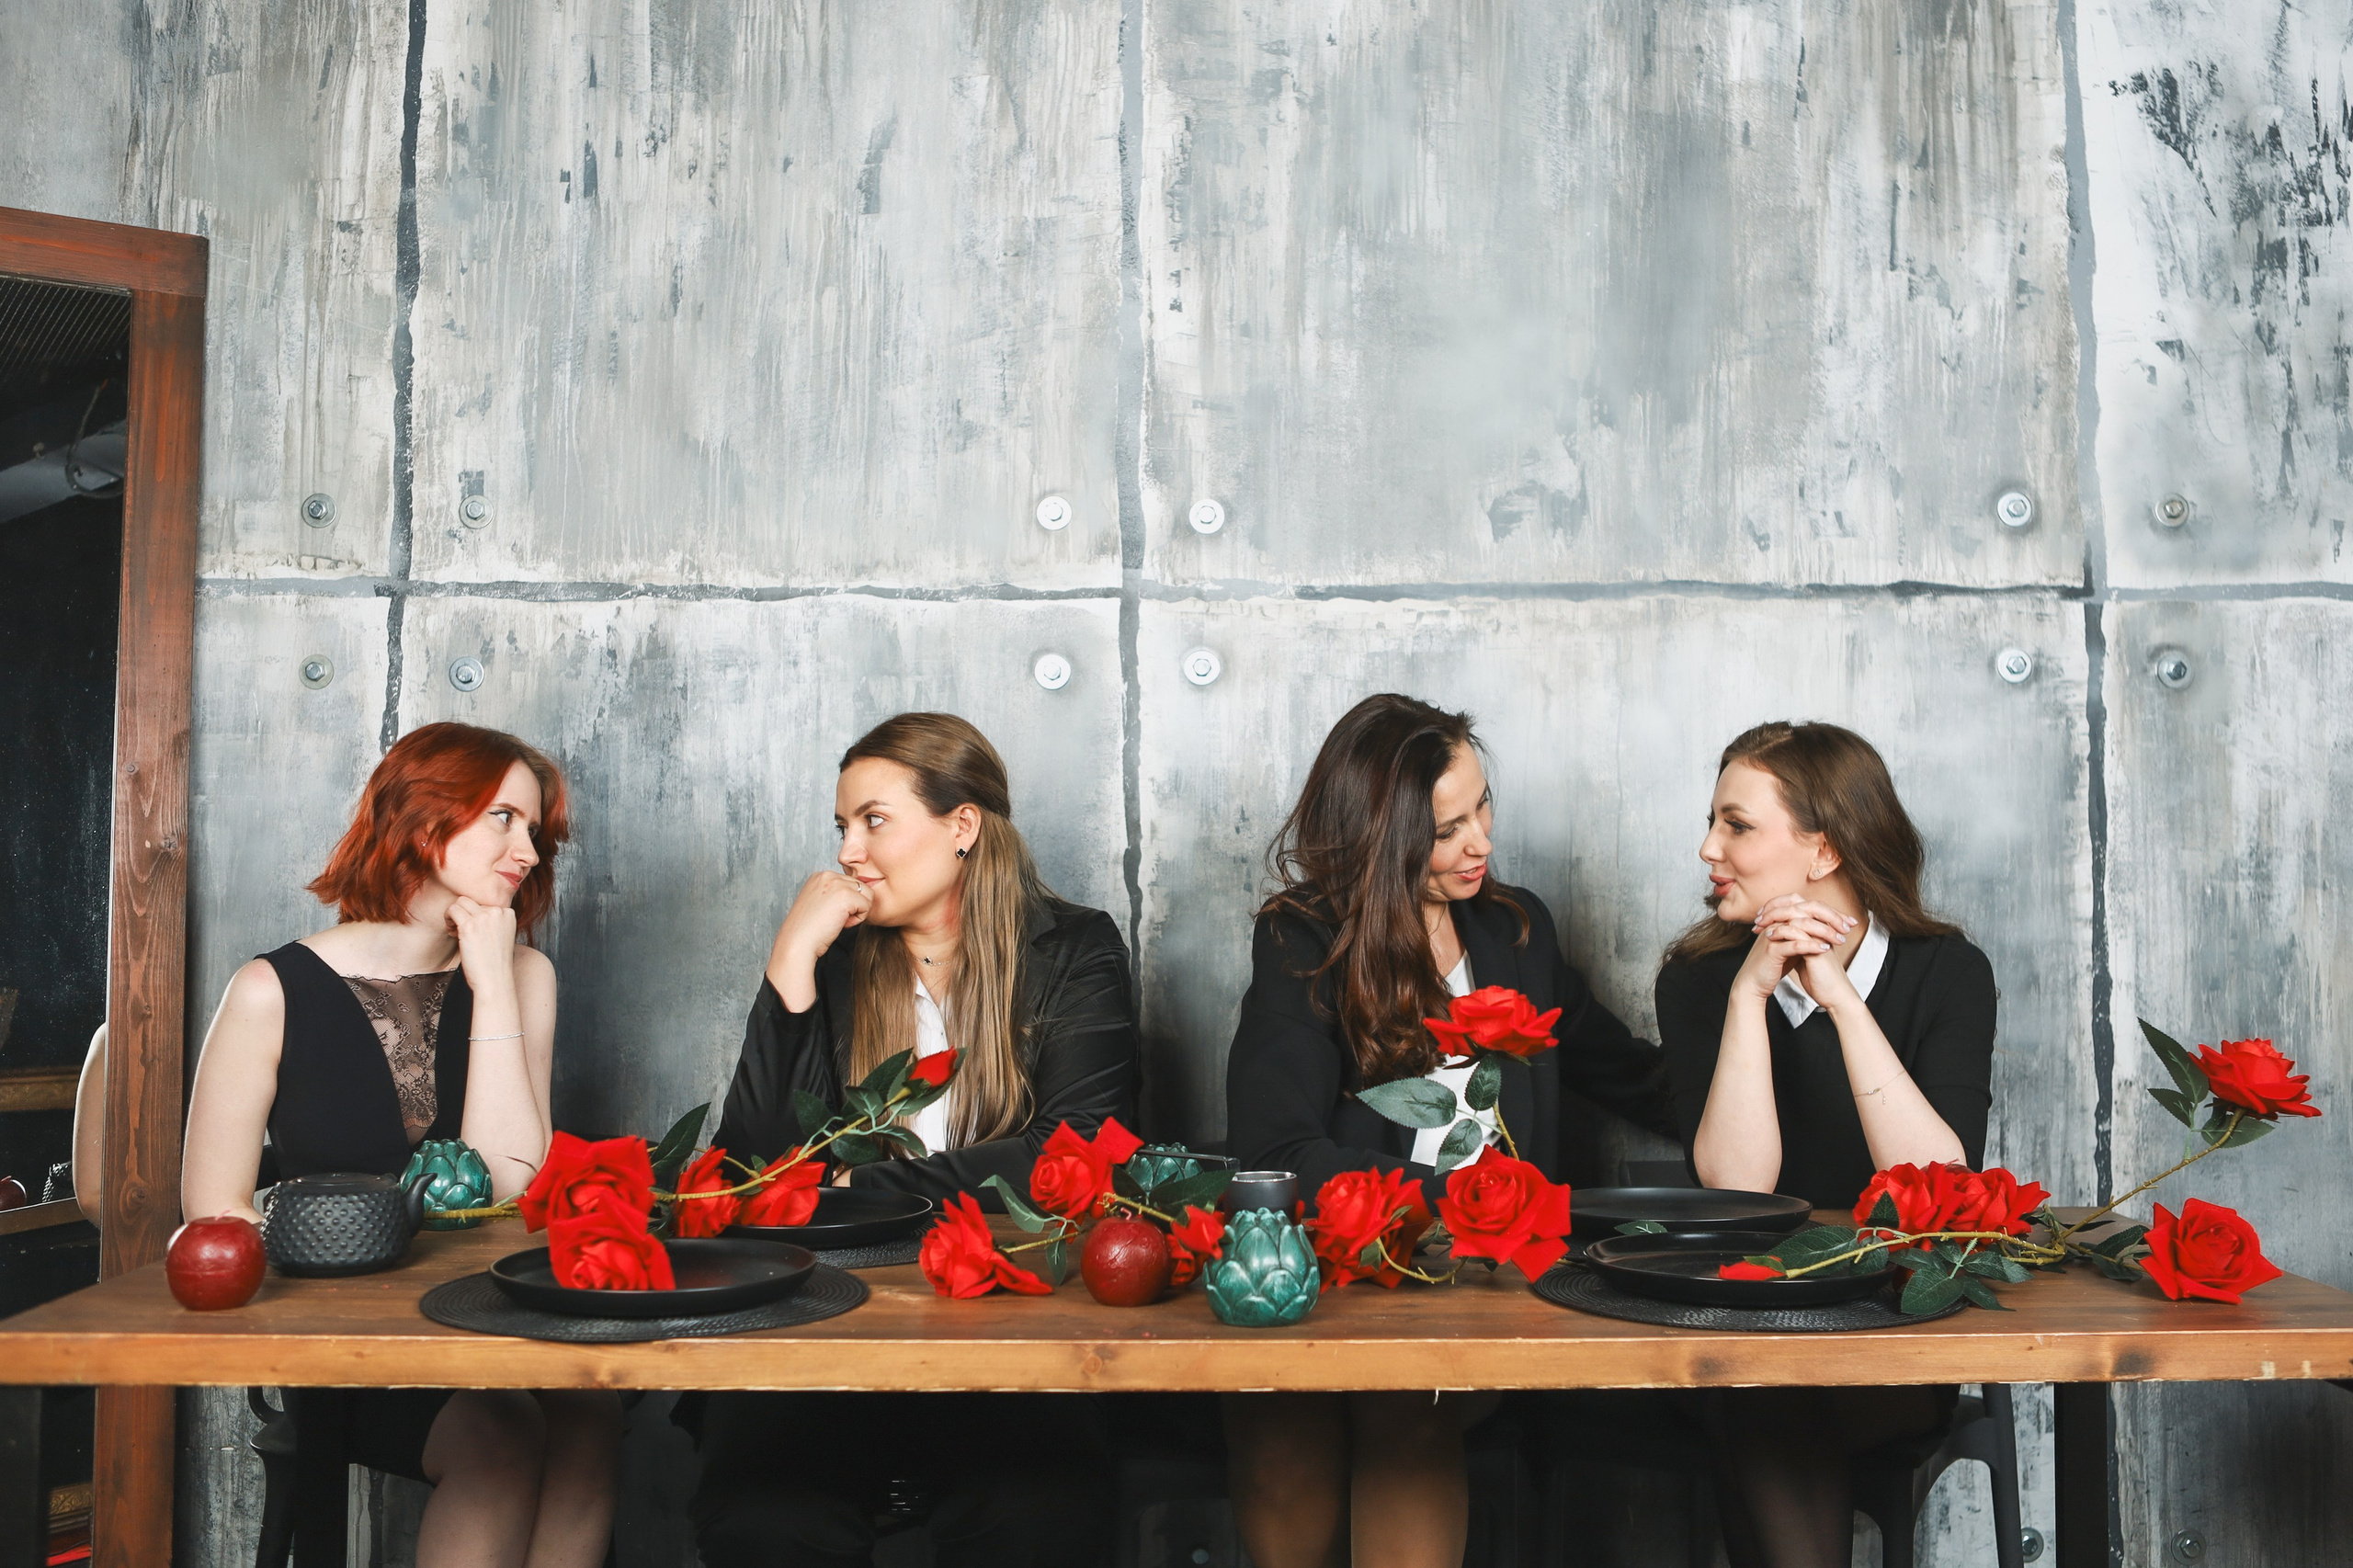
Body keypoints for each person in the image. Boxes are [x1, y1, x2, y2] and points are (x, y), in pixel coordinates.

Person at [1222, 693, 1677, 1568]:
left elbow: (1625, 1070)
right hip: (1344, 1269)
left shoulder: (1516, 927)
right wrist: (1456, 1200)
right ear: (1378, 839)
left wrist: (1757, 1026)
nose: (1481, 844)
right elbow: (1276, 1152)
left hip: (1485, 1283)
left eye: (1483, 808)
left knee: (1408, 1394)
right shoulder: (1305, 938)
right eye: (1446, 829)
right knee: (1278, 1409)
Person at [689, 710, 1138, 1568]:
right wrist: (787, 976)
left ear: (961, 826)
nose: (850, 851)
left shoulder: (1073, 950)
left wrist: (866, 1192)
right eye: (842, 827)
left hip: (1010, 1308)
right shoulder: (834, 961)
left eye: (874, 820)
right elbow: (753, 1168)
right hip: (824, 1309)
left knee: (1036, 1512)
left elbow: (1074, 1149)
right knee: (763, 1514)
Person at [179, 722, 620, 1568]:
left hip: (494, 1319)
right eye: (504, 820)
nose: (527, 849)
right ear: (425, 821)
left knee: (592, 1411)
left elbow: (509, 1185)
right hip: (347, 1338)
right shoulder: (270, 990)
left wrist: (493, 979)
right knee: (500, 1437)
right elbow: (214, 1213)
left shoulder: (524, 976)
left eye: (536, 830)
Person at [1654, 720, 1997, 1568]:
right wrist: (1749, 999)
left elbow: (1937, 1182)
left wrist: (1840, 998)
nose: (1708, 848)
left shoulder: (1947, 972)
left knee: (1771, 1405)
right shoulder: (1699, 982)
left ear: (1824, 850)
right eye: (1713, 821)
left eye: (1737, 825)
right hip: (1746, 1324)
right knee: (1762, 1392)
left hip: (1892, 1327)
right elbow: (1737, 1191)